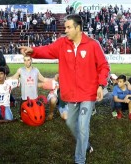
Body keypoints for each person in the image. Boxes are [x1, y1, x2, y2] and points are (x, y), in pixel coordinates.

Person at [20, 14, 110, 164]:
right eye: (65, 28)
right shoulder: (62, 43)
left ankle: (79, 160)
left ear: (78, 28)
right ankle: (85, 145)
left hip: (88, 93)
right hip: (70, 94)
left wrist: (100, 85)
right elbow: (48, 50)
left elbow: (104, 66)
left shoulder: (93, 45)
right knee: (70, 123)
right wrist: (33, 51)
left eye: (68, 27)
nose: (66, 30)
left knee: (82, 125)